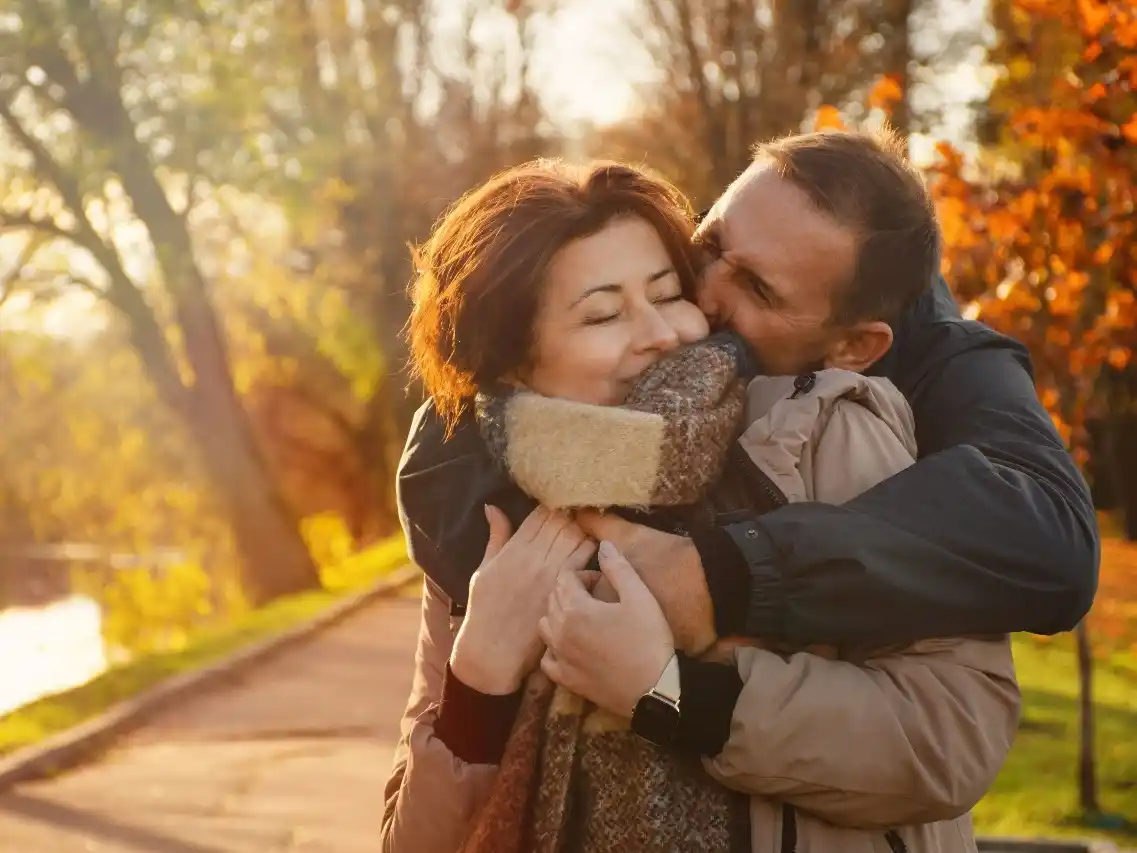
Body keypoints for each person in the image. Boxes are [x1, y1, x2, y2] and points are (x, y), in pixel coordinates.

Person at [383, 138, 1020, 853]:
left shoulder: (822, 433)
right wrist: (478, 676)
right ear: (512, 364)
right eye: (602, 314)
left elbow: (947, 738)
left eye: (665, 291)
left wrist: (669, 689)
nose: (678, 325)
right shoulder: (487, 513)